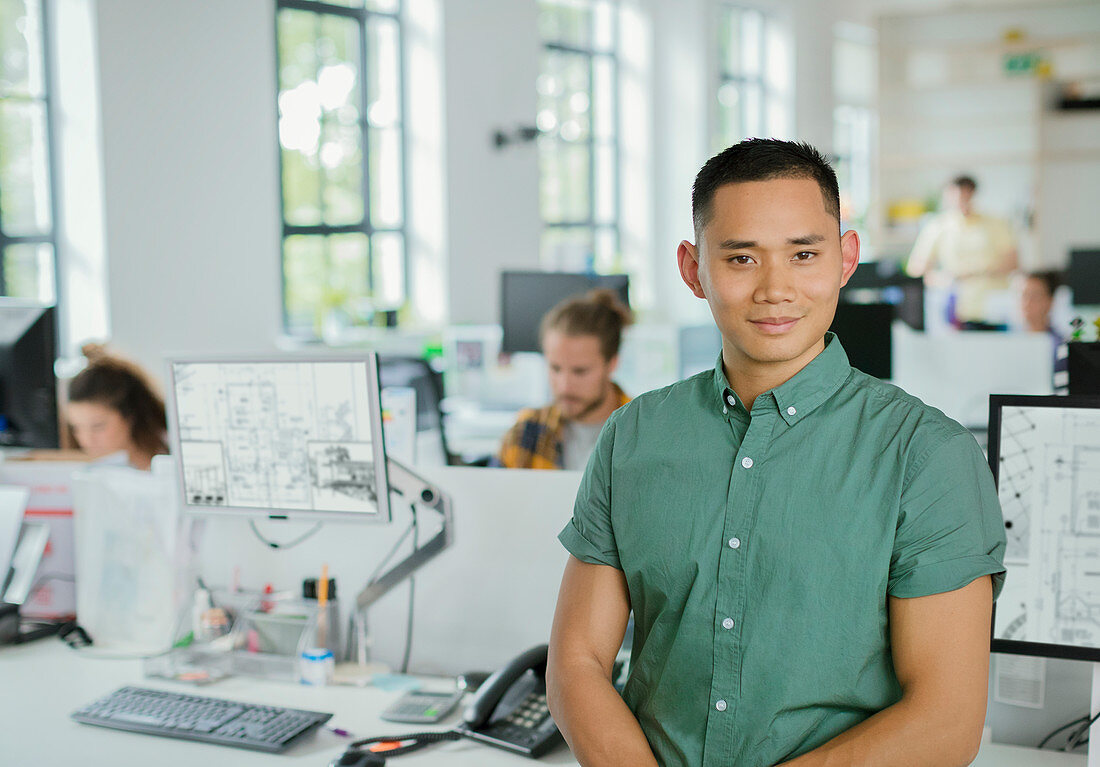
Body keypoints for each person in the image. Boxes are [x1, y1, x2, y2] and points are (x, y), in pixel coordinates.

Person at [546, 139, 1006, 767]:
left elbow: (945, 721)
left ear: (845, 259)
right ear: (692, 268)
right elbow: (576, 661)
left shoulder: (927, 456)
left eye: (804, 254)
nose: (775, 289)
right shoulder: (633, 436)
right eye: (740, 258)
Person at [494, 289, 632, 470]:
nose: (564, 386)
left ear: (612, 364)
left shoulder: (644, 432)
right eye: (555, 368)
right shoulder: (525, 432)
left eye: (580, 371)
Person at [905, 174, 1017, 327]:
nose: (961, 200)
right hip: (953, 311)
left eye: (966, 194)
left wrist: (977, 272)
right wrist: (943, 279)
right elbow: (916, 269)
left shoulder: (996, 224)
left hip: (992, 310)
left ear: (973, 194)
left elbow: (1013, 262)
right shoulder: (938, 226)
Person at [66, 344, 169, 470]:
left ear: (130, 416)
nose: (86, 440)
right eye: (76, 428)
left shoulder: (172, 458)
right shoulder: (90, 471)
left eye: (98, 426)